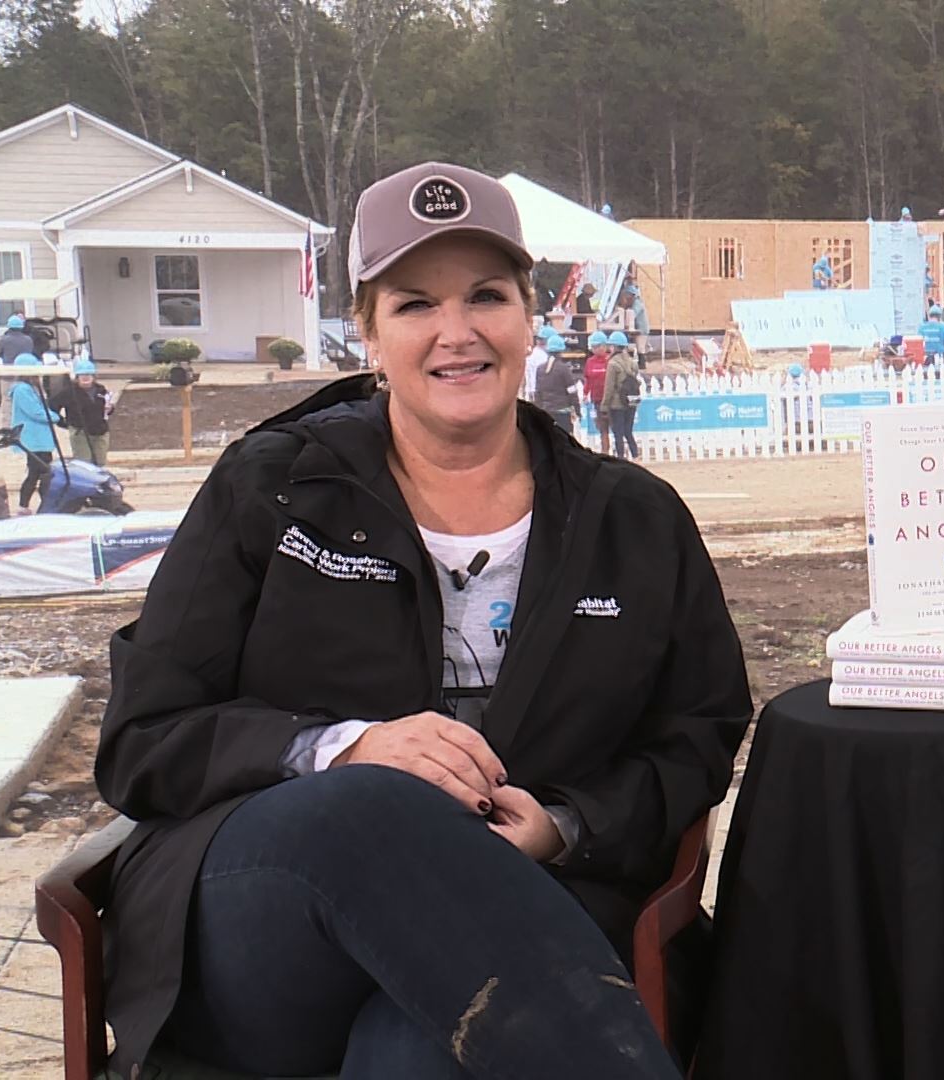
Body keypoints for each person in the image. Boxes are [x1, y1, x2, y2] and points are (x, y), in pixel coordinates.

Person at [92, 160, 751, 1080]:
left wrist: (565, 825)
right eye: (413, 304)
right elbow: (142, 743)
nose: (457, 332)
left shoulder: (634, 520)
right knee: (369, 808)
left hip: (538, 910)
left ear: (530, 317)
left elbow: (699, 735)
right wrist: (340, 751)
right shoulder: (272, 490)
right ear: (366, 331)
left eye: (486, 295)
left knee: (418, 1054)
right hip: (268, 939)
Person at [6, 353, 59, 512]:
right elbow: (35, 412)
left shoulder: (30, 388)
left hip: (39, 439)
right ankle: (27, 505)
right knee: (41, 473)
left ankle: (37, 504)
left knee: (41, 473)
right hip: (34, 439)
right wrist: (55, 417)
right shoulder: (22, 390)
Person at [51, 357, 113, 466]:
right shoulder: (69, 392)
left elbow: (108, 408)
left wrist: (110, 408)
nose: (85, 377)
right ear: (77, 377)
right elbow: (52, 407)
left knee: (100, 464)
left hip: (100, 432)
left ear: (93, 376)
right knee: (84, 464)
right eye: (82, 375)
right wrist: (63, 422)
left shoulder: (101, 389)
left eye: (88, 374)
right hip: (80, 433)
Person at [602, 330, 641, 459]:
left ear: (613, 346)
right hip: (632, 400)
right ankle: (636, 455)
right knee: (628, 431)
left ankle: (621, 457)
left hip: (617, 403)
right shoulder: (632, 362)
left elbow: (609, 388)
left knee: (618, 433)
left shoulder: (612, 364)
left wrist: (604, 406)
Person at [533, 332, 581, 433]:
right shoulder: (564, 369)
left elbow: (537, 392)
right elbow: (572, 391)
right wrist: (577, 409)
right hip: (562, 412)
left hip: (546, 412)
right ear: (561, 351)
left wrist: (538, 411)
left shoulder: (540, 369)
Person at [583, 330, 613, 448]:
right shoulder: (590, 362)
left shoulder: (611, 361)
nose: (596, 349)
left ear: (605, 346)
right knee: (603, 428)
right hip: (597, 400)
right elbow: (588, 380)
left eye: (598, 346)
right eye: (594, 347)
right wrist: (585, 393)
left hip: (611, 400)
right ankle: (605, 450)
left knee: (616, 428)